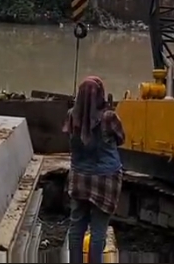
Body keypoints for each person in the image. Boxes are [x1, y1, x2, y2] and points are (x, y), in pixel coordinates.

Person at [64, 75, 125, 263]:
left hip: (79, 177)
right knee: (98, 231)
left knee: (76, 227)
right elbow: (121, 138)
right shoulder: (109, 117)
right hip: (106, 179)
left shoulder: (71, 115)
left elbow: (70, 141)